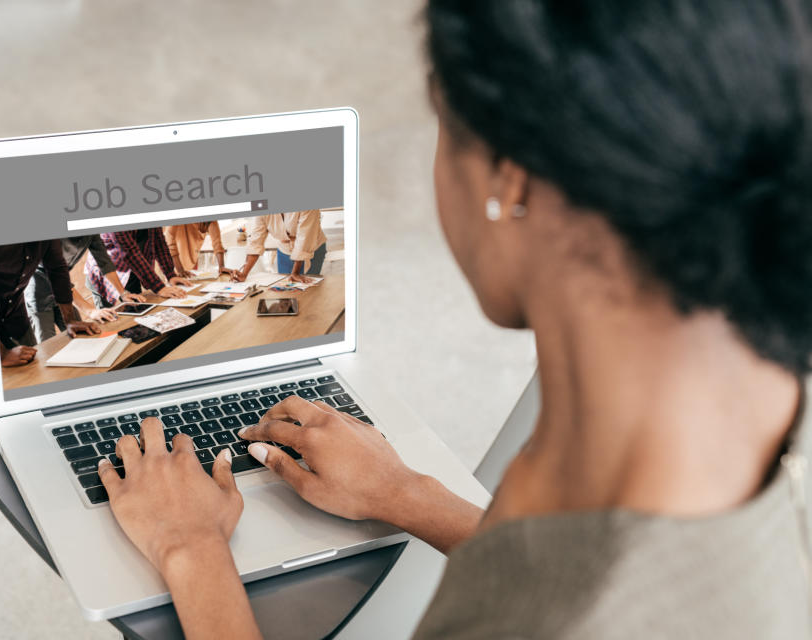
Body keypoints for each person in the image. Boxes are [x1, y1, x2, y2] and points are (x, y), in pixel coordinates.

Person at [97, 1, 812, 637]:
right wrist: (409, 495)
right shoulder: (746, 405)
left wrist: (191, 549)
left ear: (509, 174)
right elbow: (572, 576)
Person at [0, 241, 99, 367]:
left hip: (16, 316)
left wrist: (70, 320)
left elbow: (57, 270)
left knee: (34, 368)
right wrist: (1, 354)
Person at [24, 235, 147, 343]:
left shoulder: (91, 231)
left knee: (83, 337)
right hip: (39, 294)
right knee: (49, 346)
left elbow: (104, 262)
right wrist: (90, 311)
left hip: (65, 292)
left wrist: (123, 293)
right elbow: (54, 272)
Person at [85, 228, 193, 306]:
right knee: (112, 322)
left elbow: (159, 242)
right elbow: (130, 252)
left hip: (133, 273)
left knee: (138, 313)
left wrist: (170, 275)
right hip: (108, 276)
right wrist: (159, 287)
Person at [232, 210, 326, 283]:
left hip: (311, 248)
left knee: (308, 292)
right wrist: (244, 274)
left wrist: (295, 272)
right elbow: (255, 242)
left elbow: (305, 238)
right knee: (285, 291)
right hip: (284, 250)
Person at [163, 221, 236, 278]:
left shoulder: (209, 218)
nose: (207, 229)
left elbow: (217, 242)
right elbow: (168, 238)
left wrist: (221, 267)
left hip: (186, 259)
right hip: (166, 255)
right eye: (206, 225)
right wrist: (180, 270)